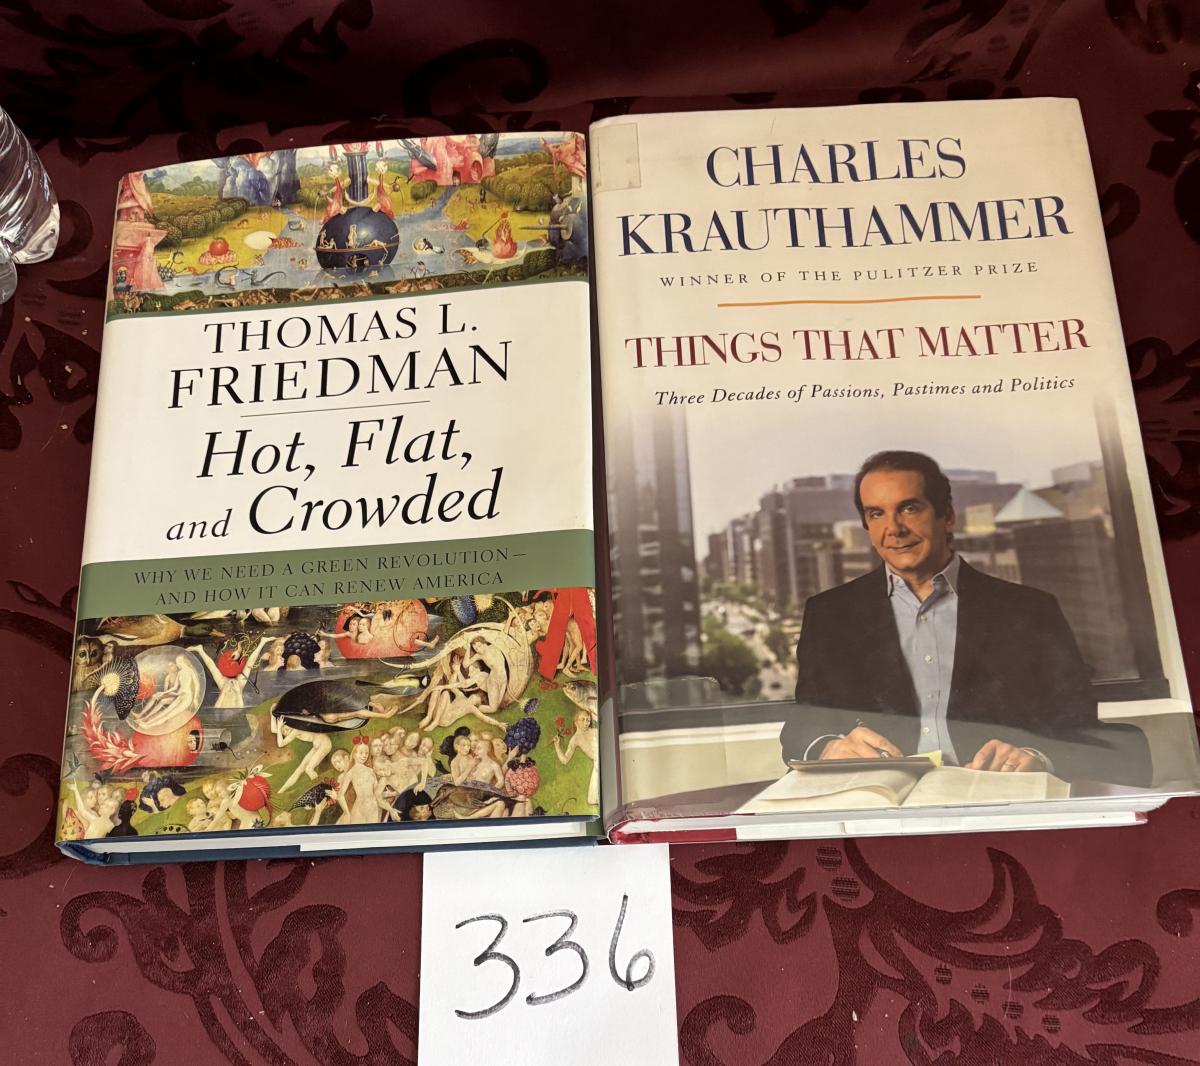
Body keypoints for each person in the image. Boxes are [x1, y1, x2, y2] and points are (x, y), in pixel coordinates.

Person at [779, 450, 1151, 784]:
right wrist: (828, 746)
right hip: (880, 801)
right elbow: (802, 724)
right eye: (877, 513)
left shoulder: (1031, 611)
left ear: (948, 516)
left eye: (910, 508)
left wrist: (1037, 756)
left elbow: (1079, 727)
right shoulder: (829, 614)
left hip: (995, 797)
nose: (894, 528)